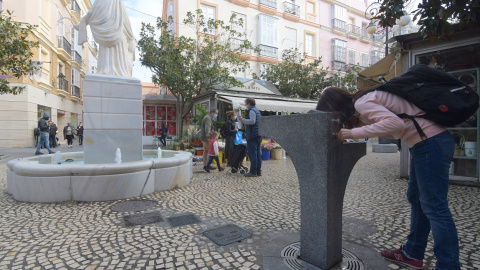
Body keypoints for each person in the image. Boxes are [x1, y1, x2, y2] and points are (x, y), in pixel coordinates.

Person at [316, 87, 460, 270]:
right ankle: (412, 253)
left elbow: (397, 125)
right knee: (416, 198)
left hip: (431, 142)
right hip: (423, 143)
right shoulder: (364, 103)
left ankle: (449, 265)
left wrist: (352, 133)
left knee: (435, 206)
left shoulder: (362, 102)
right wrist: (360, 127)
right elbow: (397, 125)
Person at [74, 0, 136, 77]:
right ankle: (115, 73)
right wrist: (131, 38)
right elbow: (126, 22)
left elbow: (91, 13)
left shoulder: (104, 2)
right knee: (119, 69)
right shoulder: (119, 3)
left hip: (109, 35)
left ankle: (107, 71)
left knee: (107, 65)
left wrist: (83, 23)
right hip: (118, 35)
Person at [237, 98, 262, 177]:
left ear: (249, 104)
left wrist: (242, 120)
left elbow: (252, 121)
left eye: (246, 104)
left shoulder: (251, 110)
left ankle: (253, 172)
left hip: (252, 135)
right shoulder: (257, 110)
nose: (245, 105)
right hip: (258, 134)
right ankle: (258, 171)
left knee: (253, 154)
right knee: (258, 154)